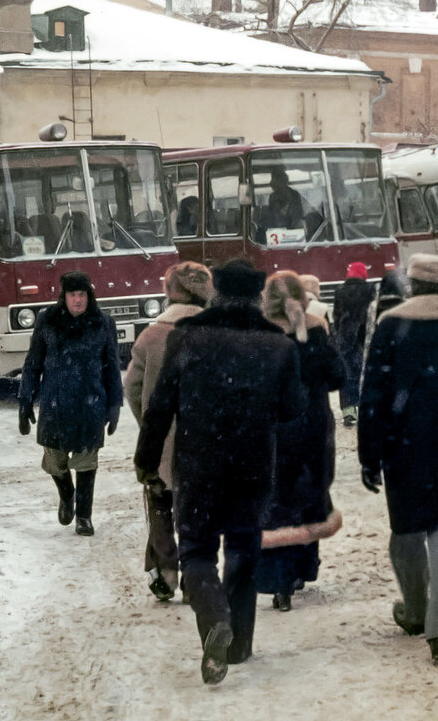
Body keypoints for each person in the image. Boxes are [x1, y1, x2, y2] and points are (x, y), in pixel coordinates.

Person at [134, 258, 306, 685]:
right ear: (257, 297)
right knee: (244, 553)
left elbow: (158, 409)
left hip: (198, 465)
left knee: (196, 550)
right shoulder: (277, 345)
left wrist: (146, 461)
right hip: (252, 466)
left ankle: (214, 622)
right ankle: (240, 644)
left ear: (217, 291)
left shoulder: (187, 339)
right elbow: (292, 409)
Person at [359, 253, 438, 667]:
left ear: (412, 284)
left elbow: (373, 393)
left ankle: (414, 609)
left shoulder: (392, 324)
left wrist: (369, 452)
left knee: (408, 527)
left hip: (404, 442)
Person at [254, 271, 345, 612]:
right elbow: (338, 376)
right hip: (313, 430)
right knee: (309, 496)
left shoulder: (258, 334)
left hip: (272, 433)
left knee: (276, 503)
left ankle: (278, 581)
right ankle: (303, 568)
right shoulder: (317, 330)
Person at [124, 261, 213, 602]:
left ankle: (165, 571)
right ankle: (194, 576)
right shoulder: (213, 333)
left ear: (168, 292)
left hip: (161, 439)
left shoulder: (151, 335)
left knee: (160, 504)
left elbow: (131, 387)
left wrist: (147, 419)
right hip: (204, 441)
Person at [18, 270, 123, 537]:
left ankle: (84, 517)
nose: (77, 300)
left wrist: (114, 405)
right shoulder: (47, 321)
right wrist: (25, 399)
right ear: (63, 297)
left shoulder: (103, 323)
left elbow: (112, 366)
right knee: (54, 460)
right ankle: (67, 494)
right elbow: (33, 363)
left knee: (87, 462)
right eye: (72, 295)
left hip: (90, 404)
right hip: (55, 403)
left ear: (89, 296)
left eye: (82, 295)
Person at [332, 261, 375, 427]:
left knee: (348, 373)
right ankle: (366, 408)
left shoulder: (339, 291)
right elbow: (371, 312)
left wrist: (339, 334)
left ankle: (349, 412)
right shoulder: (369, 289)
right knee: (366, 372)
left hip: (346, 336)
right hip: (364, 334)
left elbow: (336, 315)